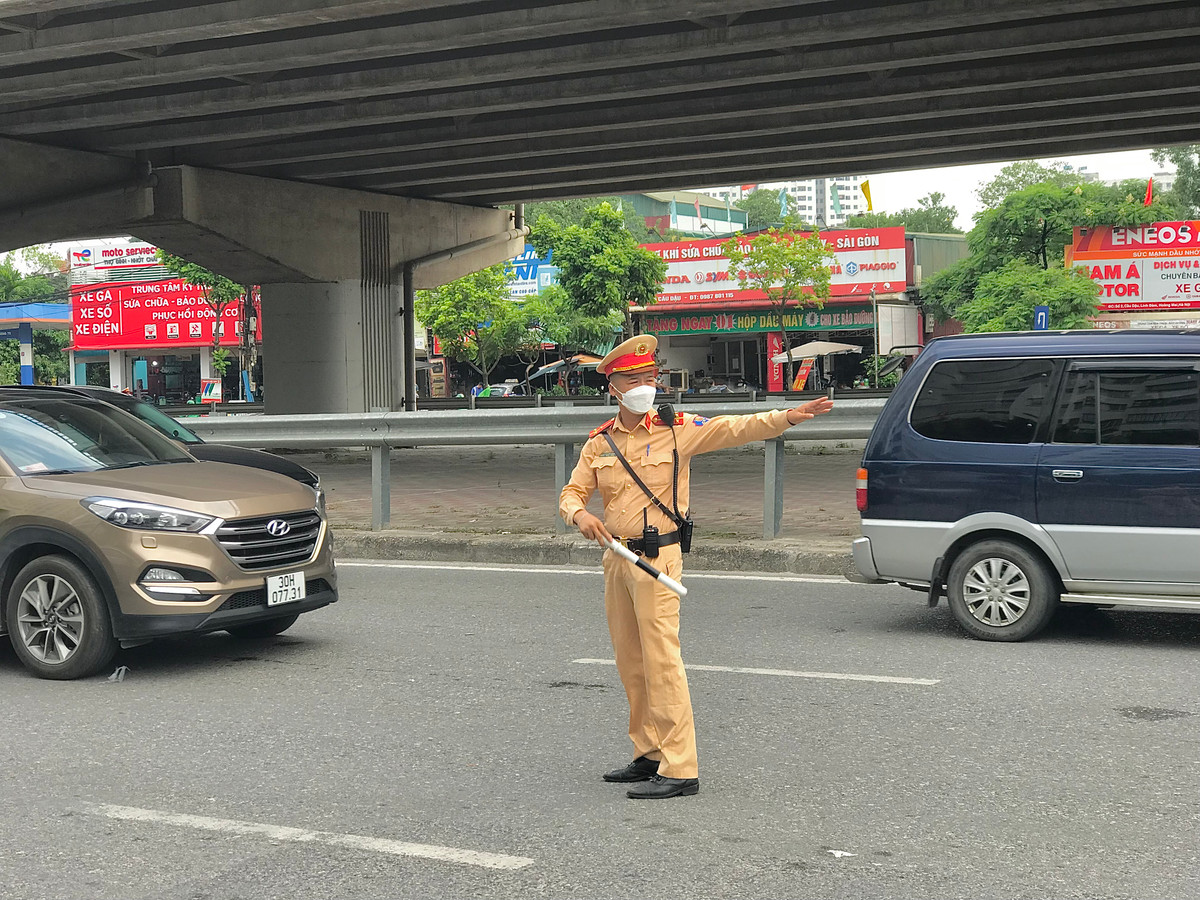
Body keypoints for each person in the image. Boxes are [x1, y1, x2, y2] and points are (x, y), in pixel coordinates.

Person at [559, 334, 834, 800]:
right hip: (616, 558)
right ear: (613, 387)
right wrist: (579, 515)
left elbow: (733, 428)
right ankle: (648, 752)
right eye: (634, 379)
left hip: (657, 557)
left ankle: (680, 767)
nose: (645, 387)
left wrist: (786, 416)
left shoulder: (676, 428)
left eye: (650, 377)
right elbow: (572, 493)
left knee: (662, 661)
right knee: (631, 661)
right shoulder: (599, 442)